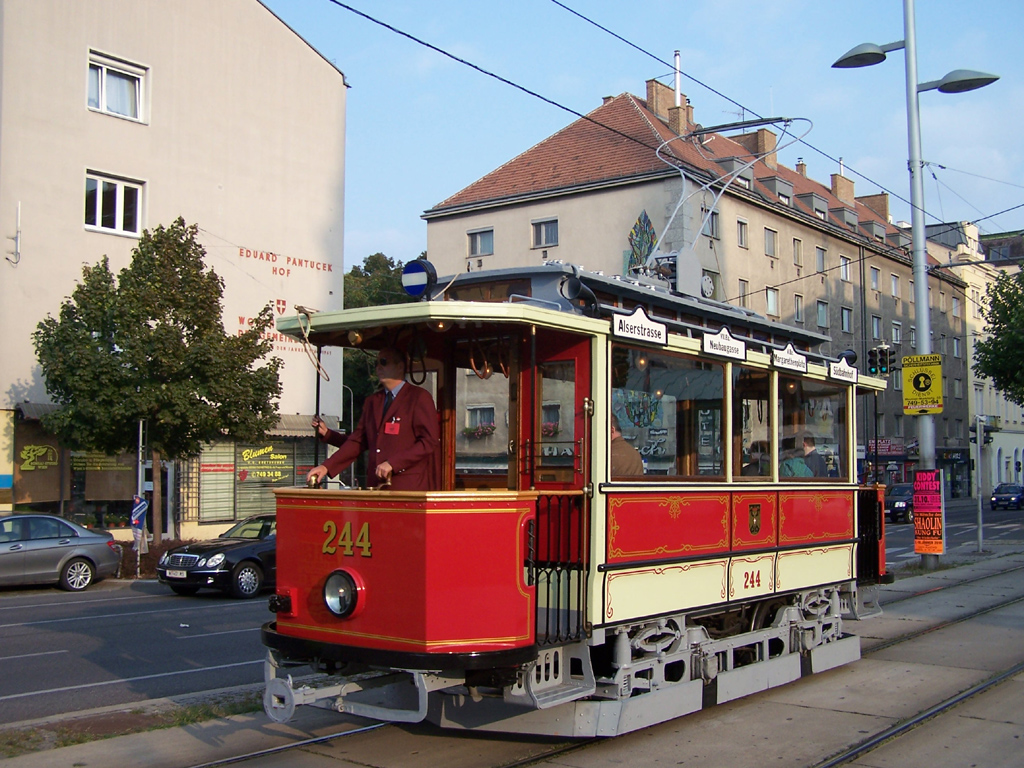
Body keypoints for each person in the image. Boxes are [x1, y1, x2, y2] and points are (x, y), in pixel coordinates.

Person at [306, 347, 441, 490]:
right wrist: (326, 467)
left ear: (400, 366)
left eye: (383, 362)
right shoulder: (373, 401)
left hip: (406, 488)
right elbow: (357, 441)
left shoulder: (418, 398)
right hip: (375, 488)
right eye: (376, 363)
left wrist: (393, 463)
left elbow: (429, 441)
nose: (378, 368)